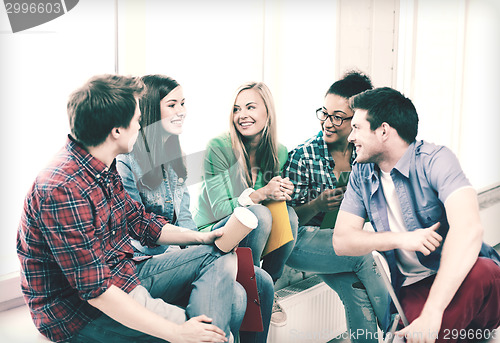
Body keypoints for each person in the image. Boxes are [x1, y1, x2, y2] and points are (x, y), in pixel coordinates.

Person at [17, 74, 243, 343]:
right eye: (137, 120)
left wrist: (201, 237)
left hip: (122, 275)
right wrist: (178, 332)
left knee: (219, 253)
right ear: (116, 131)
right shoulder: (62, 189)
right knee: (219, 326)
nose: (141, 125)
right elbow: (96, 291)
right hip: (79, 314)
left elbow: (140, 221)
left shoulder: (100, 162)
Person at [333, 87, 500, 343]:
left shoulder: (436, 160)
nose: (350, 137)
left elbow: (469, 229)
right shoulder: (361, 174)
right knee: (425, 331)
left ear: (384, 131)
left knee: (485, 271)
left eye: (357, 127)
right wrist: (401, 239)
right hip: (414, 287)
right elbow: (342, 241)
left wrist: (434, 312)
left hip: (466, 276)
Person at [116, 74, 273, 342]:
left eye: (183, 103)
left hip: (182, 251)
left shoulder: (174, 156)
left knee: (263, 283)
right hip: (148, 262)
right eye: (173, 104)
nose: (182, 112)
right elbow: (133, 231)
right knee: (235, 296)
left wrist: (190, 247)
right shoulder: (126, 160)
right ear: (152, 109)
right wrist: (189, 250)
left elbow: (185, 216)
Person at [282, 71, 388, 342]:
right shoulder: (304, 155)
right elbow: (285, 222)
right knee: (361, 253)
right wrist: (318, 204)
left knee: (356, 291)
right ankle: (401, 327)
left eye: (338, 117)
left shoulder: (363, 156)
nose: (328, 123)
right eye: (324, 113)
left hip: (334, 242)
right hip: (298, 242)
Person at [194, 81, 299, 327]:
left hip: (252, 234)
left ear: (267, 112)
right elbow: (220, 208)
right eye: (236, 109)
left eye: (250, 107)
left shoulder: (279, 151)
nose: (242, 115)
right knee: (259, 214)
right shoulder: (219, 147)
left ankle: (267, 285)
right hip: (212, 230)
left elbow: (274, 205)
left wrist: (281, 191)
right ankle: (252, 286)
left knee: (290, 215)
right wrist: (262, 193)